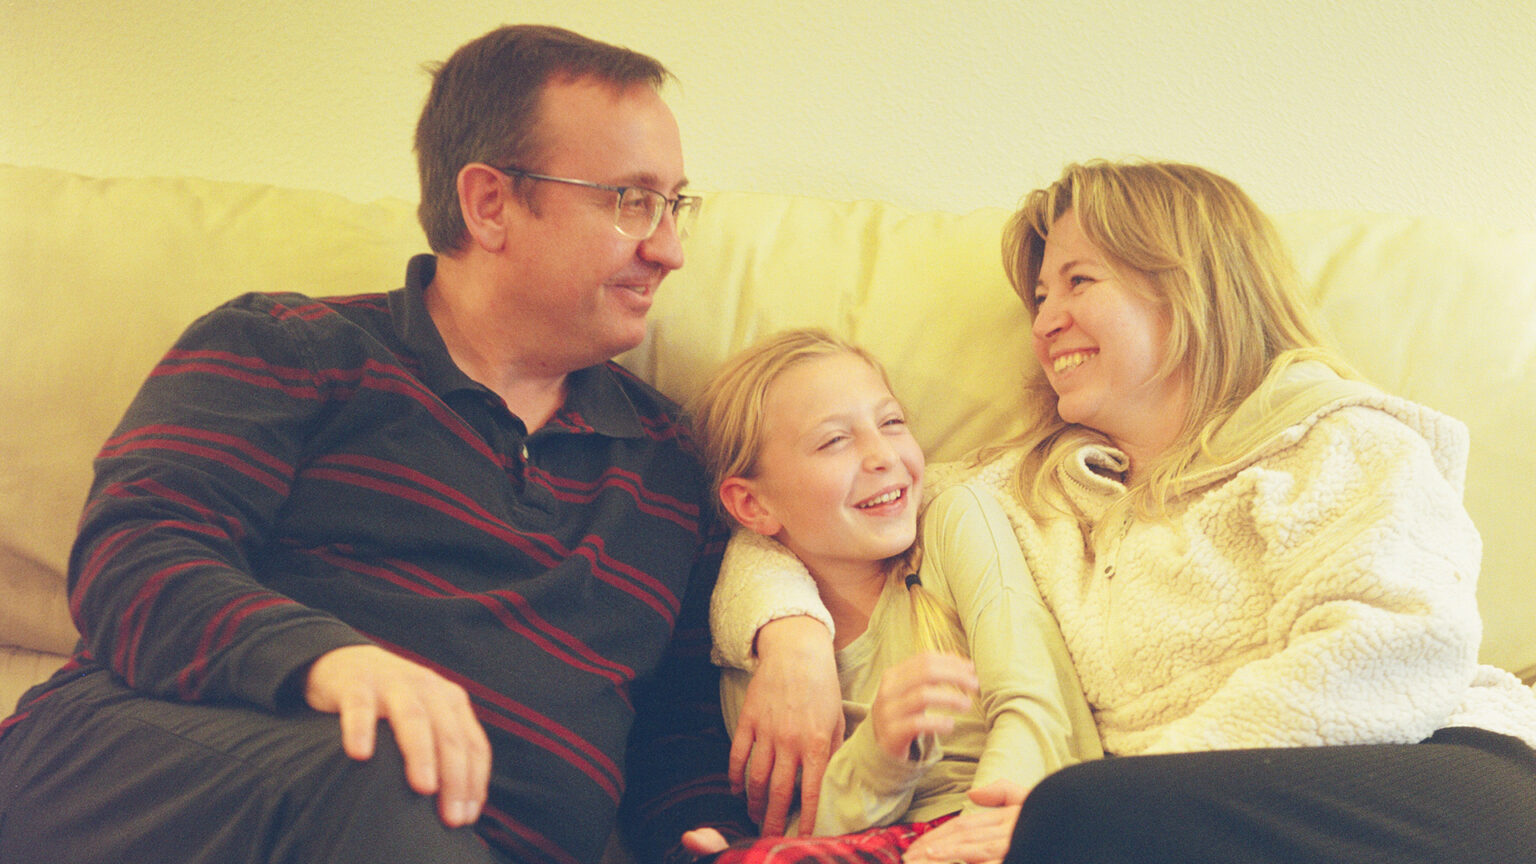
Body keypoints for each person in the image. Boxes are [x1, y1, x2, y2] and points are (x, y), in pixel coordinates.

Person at [0, 24, 773, 864]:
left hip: (447, 842)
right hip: (160, 776)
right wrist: (332, 663)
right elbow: (134, 560)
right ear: (490, 204)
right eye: (632, 201)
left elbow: (674, 735)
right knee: (377, 763)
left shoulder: (669, 464)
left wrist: (715, 842)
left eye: (674, 204)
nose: (670, 248)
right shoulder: (291, 346)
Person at [710, 161, 1536, 864]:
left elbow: (1393, 651)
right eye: (1038, 295)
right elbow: (810, 511)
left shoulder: (1337, 440)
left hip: (1433, 776)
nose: (1044, 321)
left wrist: (1118, 792)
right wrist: (790, 638)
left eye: (1078, 281)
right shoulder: (1021, 490)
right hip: (1160, 822)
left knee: (1075, 820)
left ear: (1191, 288)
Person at [681, 329, 1101, 863]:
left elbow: (1037, 703)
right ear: (753, 505)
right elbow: (805, 828)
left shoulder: (954, 523)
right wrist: (878, 757)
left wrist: (977, 834)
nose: (883, 455)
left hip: (1006, 820)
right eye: (834, 440)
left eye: (892, 422)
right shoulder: (765, 664)